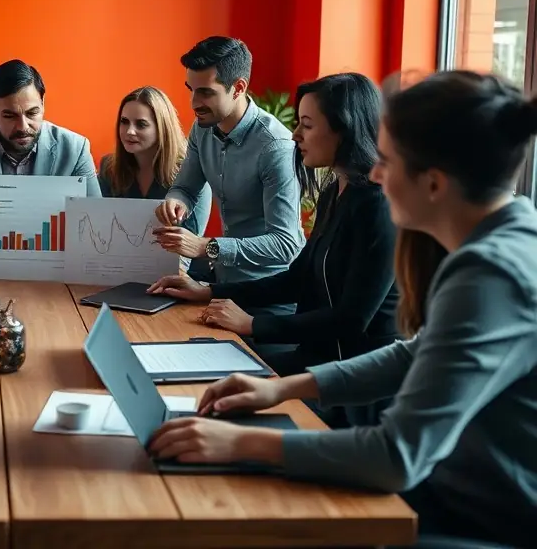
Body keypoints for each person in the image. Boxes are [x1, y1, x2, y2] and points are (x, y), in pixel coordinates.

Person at [148, 71, 537, 547]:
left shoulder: (491, 274)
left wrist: (241, 442)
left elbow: (395, 457)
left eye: (388, 161)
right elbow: (414, 354)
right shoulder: (507, 239)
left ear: (434, 184)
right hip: (450, 491)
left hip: (482, 520)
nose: (375, 173)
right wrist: (280, 388)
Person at [148, 74, 399, 397]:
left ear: (344, 129)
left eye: (307, 125)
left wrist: (252, 324)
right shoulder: (334, 193)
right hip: (316, 361)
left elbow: (351, 320)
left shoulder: (379, 207)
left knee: (214, 389)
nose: (295, 135)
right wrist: (206, 291)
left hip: (355, 385)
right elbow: (296, 280)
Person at [152, 36, 303, 321]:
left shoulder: (276, 147)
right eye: (191, 90)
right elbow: (185, 187)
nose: (194, 103)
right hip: (222, 289)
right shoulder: (202, 128)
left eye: (205, 93)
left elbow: (286, 244)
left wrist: (205, 246)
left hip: (270, 301)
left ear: (239, 88)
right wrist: (175, 201)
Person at [0, 59, 101, 196]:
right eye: (10, 116)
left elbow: (95, 221)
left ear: (42, 104)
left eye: (32, 113)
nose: (23, 127)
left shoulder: (75, 150)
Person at [98, 86, 210, 218]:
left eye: (141, 124)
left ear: (162, 128)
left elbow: (191, 235)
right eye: (124, 122)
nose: (129, 131)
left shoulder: (191, 171)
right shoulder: (109, 168)